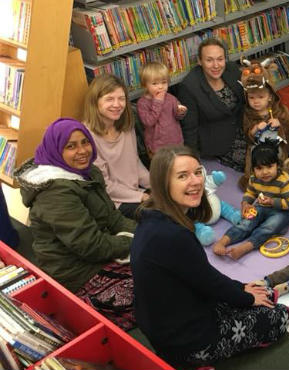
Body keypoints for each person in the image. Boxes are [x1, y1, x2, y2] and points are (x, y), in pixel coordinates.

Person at [130, 145, 289, 366]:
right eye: (182, 176)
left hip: (173, 317)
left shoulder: (152, 217)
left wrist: (241, 288)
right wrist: (247, 297)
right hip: (184, 340)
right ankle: (192, 362)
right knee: (279, 316)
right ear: (163, 183)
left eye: (197, 172)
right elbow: (209, 282)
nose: (196, 181)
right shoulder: (172, 236)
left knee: (259, 294)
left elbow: (200, 274)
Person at [15, 118, 136, 329]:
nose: (82, 151)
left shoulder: (87, 173)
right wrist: (137, 242)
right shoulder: (55, 192)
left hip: (98, 253)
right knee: (153, 287)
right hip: (76, 274)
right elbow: (90, 246)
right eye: (70, 146)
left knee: (159, 264)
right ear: (56, 151)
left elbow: (113, 218)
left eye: (84, 142)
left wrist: (145, 235)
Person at [212, 143, 289, 260]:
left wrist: (272, 201)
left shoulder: (285, 180)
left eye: (269, 166)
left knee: (270, 226)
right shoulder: (254, 179)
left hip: (281, 210)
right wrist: (245, 203)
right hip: (261, 206)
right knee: (246, 223)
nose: (265, 172)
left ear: (277, 165)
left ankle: (246, 247)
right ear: (253, 169)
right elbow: (250, 193)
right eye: (259, 168)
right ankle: (222, 242)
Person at [84, 74, 150, 219]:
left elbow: (135, 163)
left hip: (135, 191)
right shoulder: (87, 137)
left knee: (174, 194)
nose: (117, 104)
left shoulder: (126, 126)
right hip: (114, 202)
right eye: (109, 99)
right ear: (95, 102)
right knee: (158, 214)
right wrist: (142, 196)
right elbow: (104, 185)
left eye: (121, 98)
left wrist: (155, 184)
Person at [177, 38, 246, 170]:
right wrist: (192, 162)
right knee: (258, 160)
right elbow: (190, 128)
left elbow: (246, 100)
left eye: (220, 59)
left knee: (281, 145)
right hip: (218, 140)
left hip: (243, 128)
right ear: (200, 61)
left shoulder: (231, 69)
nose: (216, 65)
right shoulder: (190, 87)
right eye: (209, 60)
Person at [239, 66, 289, 189]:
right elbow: (247, 134)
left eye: (261, 97)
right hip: (258, 147)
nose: (256, 101)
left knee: (280, 157)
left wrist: (279, 123)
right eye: (251, 98)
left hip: (276, 145)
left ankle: (279, 175)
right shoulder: (248, 113)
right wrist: (255, 129)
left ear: (270, 97)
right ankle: (257, 179)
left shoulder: (278, 109)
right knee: (254, 159)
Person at [136, 61, 187, 156]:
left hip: (176, 141)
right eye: (154, 84)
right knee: (161, 168)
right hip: (156, 147)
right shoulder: (142, 103)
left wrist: (180, 112)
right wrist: (158, 102)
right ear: (144, 85)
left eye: (164, 82)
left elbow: (177, 117)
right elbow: (149, 122)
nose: (160, 87)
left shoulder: (171, 98)